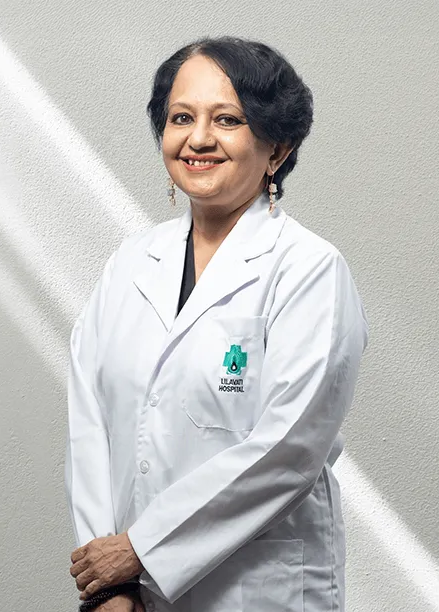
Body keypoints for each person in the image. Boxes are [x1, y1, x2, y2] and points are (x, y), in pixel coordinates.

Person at [66, 36, 369, 612]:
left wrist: (140, 550)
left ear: (277, 148)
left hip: (257, 592)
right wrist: (107, 581)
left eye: (227, 119)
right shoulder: (130, 263)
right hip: (130, 595)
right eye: (181, 118)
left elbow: (289, 449)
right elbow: (89, 424)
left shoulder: (309, 270)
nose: (198, 139)